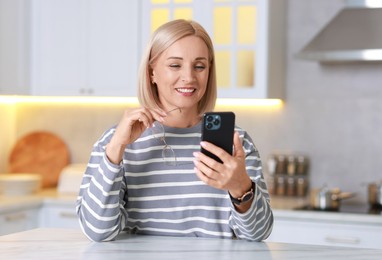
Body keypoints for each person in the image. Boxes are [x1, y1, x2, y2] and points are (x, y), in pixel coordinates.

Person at [76, 19, 273, 242]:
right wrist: (116, 149)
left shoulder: (237, 142)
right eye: (175, 65)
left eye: (199, 66)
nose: (189, 77)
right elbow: (97, 231)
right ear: (152, 72)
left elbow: (259, 234)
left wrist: (240, 188)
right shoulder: (115, 142)